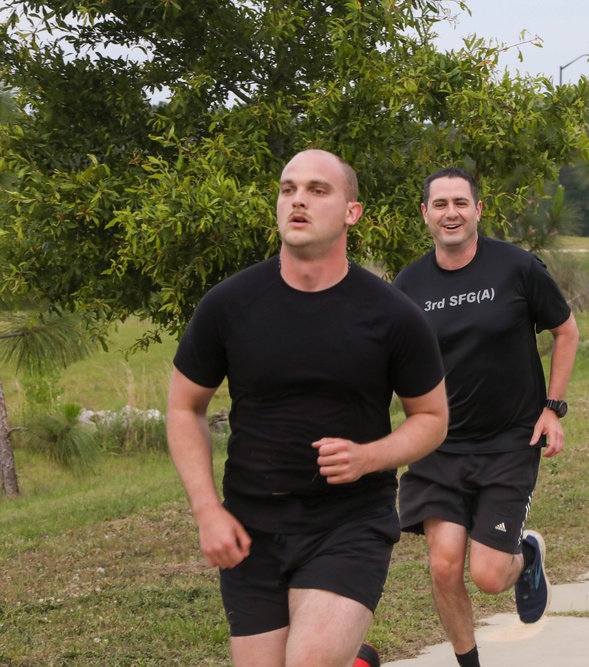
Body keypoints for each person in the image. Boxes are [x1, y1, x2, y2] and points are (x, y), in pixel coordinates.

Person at [166, 149, 449, 667]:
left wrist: (370, 456)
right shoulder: (229, 305)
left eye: (318, 190)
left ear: (351, 212)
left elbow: (431, 419)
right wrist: (207, 510)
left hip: (349, 522)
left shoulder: (392, 315)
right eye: (288, 188)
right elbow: (185, 406)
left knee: (311, 661)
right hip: (252, 525)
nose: (298, 200)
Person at [393, 167, 579, 667]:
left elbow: (565, 331)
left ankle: (527, 555)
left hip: (508, 441)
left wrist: (553, 408)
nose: (450, 212)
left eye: (460, 202)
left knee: (490, 576)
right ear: (425, 214)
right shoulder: (408, 284)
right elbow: (394, 362)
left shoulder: (516, 268)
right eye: (439, 204)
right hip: (438, 446)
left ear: (478, 210)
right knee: (443, 566)